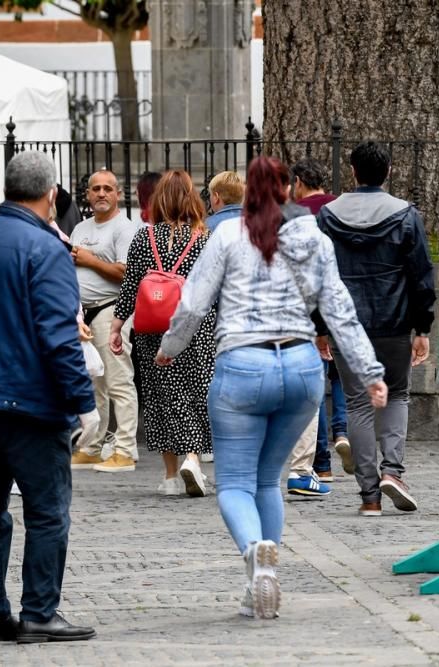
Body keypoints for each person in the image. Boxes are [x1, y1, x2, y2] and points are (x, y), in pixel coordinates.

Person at [155, 156, 387, 619]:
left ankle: (254, 556)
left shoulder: (226, 235)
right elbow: (339, 309)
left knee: (236, 483)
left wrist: (170, 346)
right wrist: (370, 371)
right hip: (301, 366)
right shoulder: (313, 238)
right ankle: (264, 574)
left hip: (242, 363)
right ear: (286, 191)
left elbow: (193, 301)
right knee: (269, 479)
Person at [0, 150, 101, 644]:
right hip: (30, 401)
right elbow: (57, 333)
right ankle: (39, 612)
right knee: (47, 509)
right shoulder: (45, 247)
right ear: (52, 195)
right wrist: (84, 402)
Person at [317, 141, 436, 517]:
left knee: (356, 403)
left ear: (352, 171)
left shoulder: (327, 215)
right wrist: (423, 327)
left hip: (346, 324)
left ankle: (369, 495)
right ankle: (393, 471)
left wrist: (320, 326)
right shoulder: (405, 215)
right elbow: (421, 277)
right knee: (396, 395)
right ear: (388, 172)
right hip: (394, 320)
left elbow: (316, 275)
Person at [111, 170, 215, 497]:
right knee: (195, 395)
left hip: (152, 329)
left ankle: (170, 475)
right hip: (195, 329)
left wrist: (116, 325)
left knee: (160, 399)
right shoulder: (203, 238)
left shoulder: (144, 238)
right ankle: (194, 460)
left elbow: (130, 287)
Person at [69, 170, 142, 472]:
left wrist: (90, 260)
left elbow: (126, 273)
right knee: (93, 380)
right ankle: (92, 445)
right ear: (87, 194)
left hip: (112, 311)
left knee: (118, 379)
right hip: (83, 314)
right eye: (95, 189)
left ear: (118, 194)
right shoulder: (79, 229)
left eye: (107, 189)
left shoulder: (124, 229)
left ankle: (125, 449)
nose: (101, 194)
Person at [291, 157, 351, 482]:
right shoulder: (341, 208)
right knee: (340, 375)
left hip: (308, 306)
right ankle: (343, 431)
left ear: (299, 182)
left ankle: (322, 462)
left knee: (316, 382)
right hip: (342, 297)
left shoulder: (297, 216)